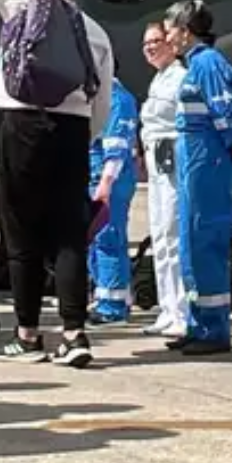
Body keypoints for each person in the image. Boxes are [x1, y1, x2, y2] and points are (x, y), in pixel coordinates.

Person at [0, 0, 113, 368]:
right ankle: (74, 334)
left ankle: (27, 336)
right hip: (74, 128)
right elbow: (104, 101)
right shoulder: (92, 29)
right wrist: (82, 136)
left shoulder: (17, 6)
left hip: (21, 126)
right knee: (69, 235)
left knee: (21, 236)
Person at [164, 0, 232, 356]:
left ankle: (215, 329)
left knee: (206, 239)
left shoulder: (209, 64)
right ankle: (198, 323)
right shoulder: (194, 65)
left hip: (208, 161)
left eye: (170, 30)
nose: (168, 37)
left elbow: (227, 114)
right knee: (190, 243)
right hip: (192, 159)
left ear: (185, 31)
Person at [139, 22, 188, 337]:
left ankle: (181, 311)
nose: (150, 47)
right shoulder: (158, 80)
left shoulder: (181, 78)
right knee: (159, 234)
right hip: (155, 160)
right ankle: (167, 308)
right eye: (146, 44)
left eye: (156, 41)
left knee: (173, 234)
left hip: (172, 159)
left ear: (171, 44)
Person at [88, 70, 140, 325]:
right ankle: (104, 295)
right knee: (97, 239)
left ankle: (113, 304)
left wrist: (106, 183)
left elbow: (116, 147)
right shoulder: (100, 98)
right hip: (95, 174)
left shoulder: (117, 100)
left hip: (109, 178)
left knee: (109, 237)